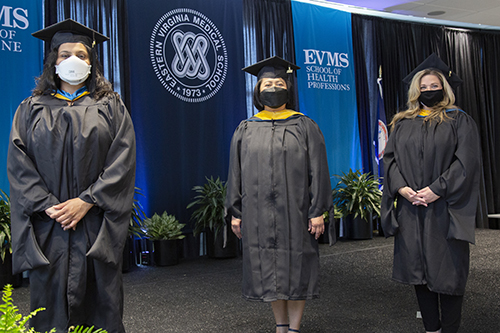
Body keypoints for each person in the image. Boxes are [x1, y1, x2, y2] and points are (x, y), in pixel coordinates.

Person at [7, 19, 136, 333]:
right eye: (65, 55)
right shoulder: (30, 108)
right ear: (53, 61)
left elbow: (123, 159)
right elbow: (19, 163)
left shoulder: (110, 106)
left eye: (81, 54)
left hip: (95, 224)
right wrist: (51, 205)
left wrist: (86, 201)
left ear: (92, 63)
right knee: (50, 310)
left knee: (100, 307)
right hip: (50, 225)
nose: (73, 61)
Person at [225, 56, 333, 333]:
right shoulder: (246, 128)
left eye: (279, 83)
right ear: (258, 91)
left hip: (296, 211)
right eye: (267, 84)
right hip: (258, 213)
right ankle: (280, 326)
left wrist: (318, 210)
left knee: (296, 268)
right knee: (270, 272)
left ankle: (294, 328)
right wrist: (235, 212)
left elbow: (318, 171)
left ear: (289, 88)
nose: (273, 88)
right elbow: (235, 173)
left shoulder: (305, 125)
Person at [381, 53, 481, 333]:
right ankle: (431, 328)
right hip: (412, 208)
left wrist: (437, 190)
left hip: (445, 208)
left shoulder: (458, 120)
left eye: (433, 86)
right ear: (416, 91)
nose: (428, 91)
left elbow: (466, 162)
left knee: (448, 272)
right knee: (419, 271)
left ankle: (449, 329)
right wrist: (403, 189)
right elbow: (390, 161)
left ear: (444, 88)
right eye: (423, 87)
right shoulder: (402, 123)